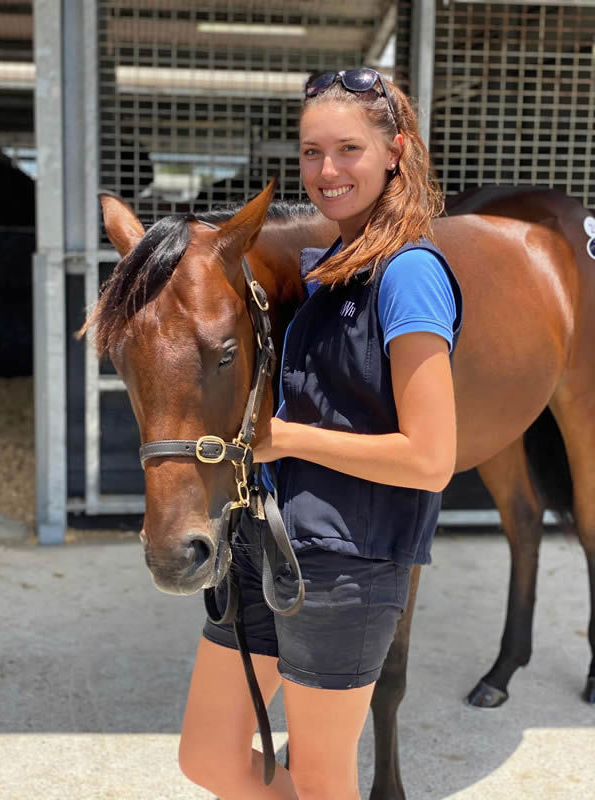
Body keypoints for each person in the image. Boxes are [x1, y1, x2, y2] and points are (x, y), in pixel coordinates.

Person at [178, 67, 463, 800]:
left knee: (324, 780)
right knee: (207, 758)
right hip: (268, 544)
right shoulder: (337, 263)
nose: (327, 171)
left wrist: (287, 438)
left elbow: (432, 460)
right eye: (311, 152)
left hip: (348, 566)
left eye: (347, 150)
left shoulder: (410, 276)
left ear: (395, 150)